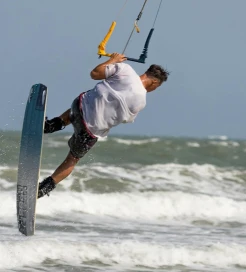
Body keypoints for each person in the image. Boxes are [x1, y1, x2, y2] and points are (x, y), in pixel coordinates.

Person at [37, 53, 169, 198]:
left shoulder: (125, 69)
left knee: (87, 101)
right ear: (155, 83)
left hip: (78, 107)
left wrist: (113, 60)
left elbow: (94, 74)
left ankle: (51, 125)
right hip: (89, 131)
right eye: (156, 87)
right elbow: (125, 120)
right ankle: (43, 188)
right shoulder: (141, 101)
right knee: (72, 160)